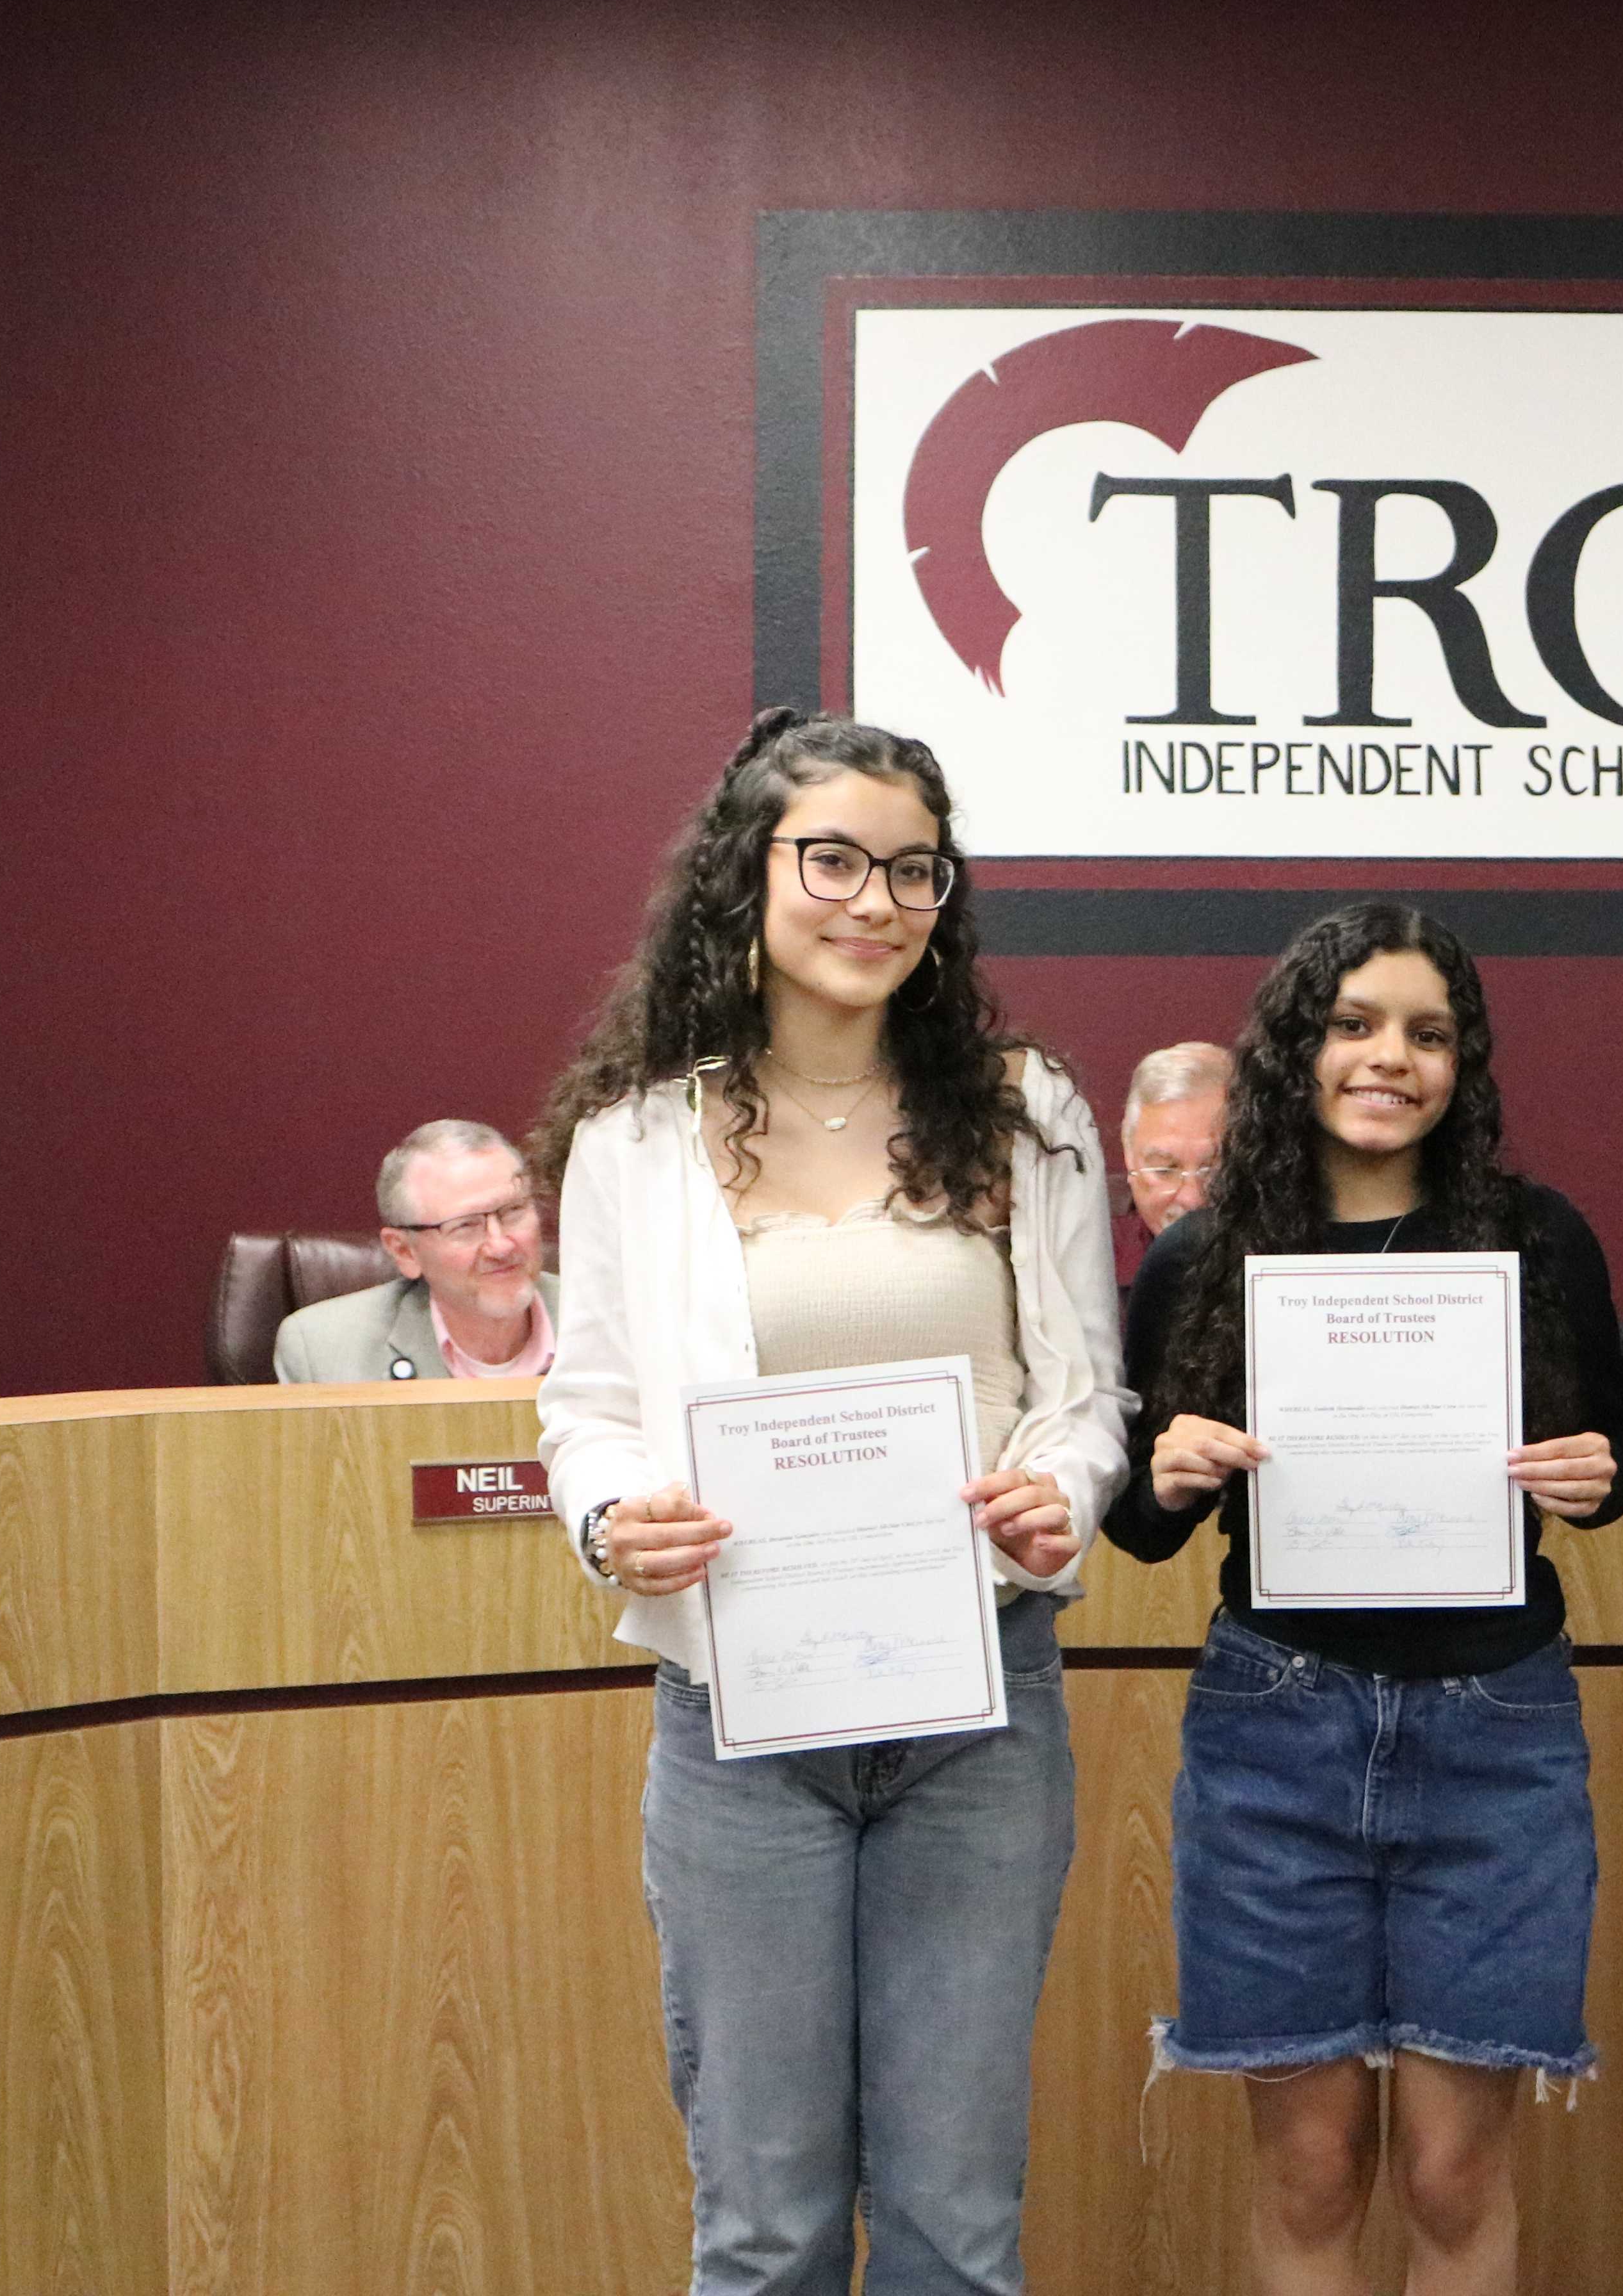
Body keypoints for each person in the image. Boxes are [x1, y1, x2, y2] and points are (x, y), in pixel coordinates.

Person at [532, 709, 1133, 2296]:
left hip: (979, 1709)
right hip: (739, 1714)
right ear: (750, 874)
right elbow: (585, 1405)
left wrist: (1057, 1495)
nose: (875, 900)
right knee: (766, 2223)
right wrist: (611, 1519)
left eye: (914, 870)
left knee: (956, 2219)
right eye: (836, 859)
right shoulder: (636, 1134)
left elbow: (1087, 1395)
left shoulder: (1027, 1110)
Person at [1102, 901, 1623, 2296]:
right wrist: (1167, 1471)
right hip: (1275, 1732)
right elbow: (1133, 1522)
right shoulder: (1201, 1253)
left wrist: (1597, 1471)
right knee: (1308, 2166)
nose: (1389, 1056)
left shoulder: (1537, 1235)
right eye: (1353, 1024)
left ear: (1465, 1062)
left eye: (1427, 1031)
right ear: (1298, 1046)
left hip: (1497, 1734)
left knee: (1454, 2173)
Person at [272, 1118, 560, 1381]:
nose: (500, 1246)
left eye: (513, 1212)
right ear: (405, 1252)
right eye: (465, 1226)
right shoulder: (323, 1352)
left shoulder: (603, 1317)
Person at [1118, 1039, 1233, 1243]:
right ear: (1130, 1159)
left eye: (1214, 1171)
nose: (1193, 1199)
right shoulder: (1101, 1259)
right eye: (1165, 1170)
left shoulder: (1287, 1258)